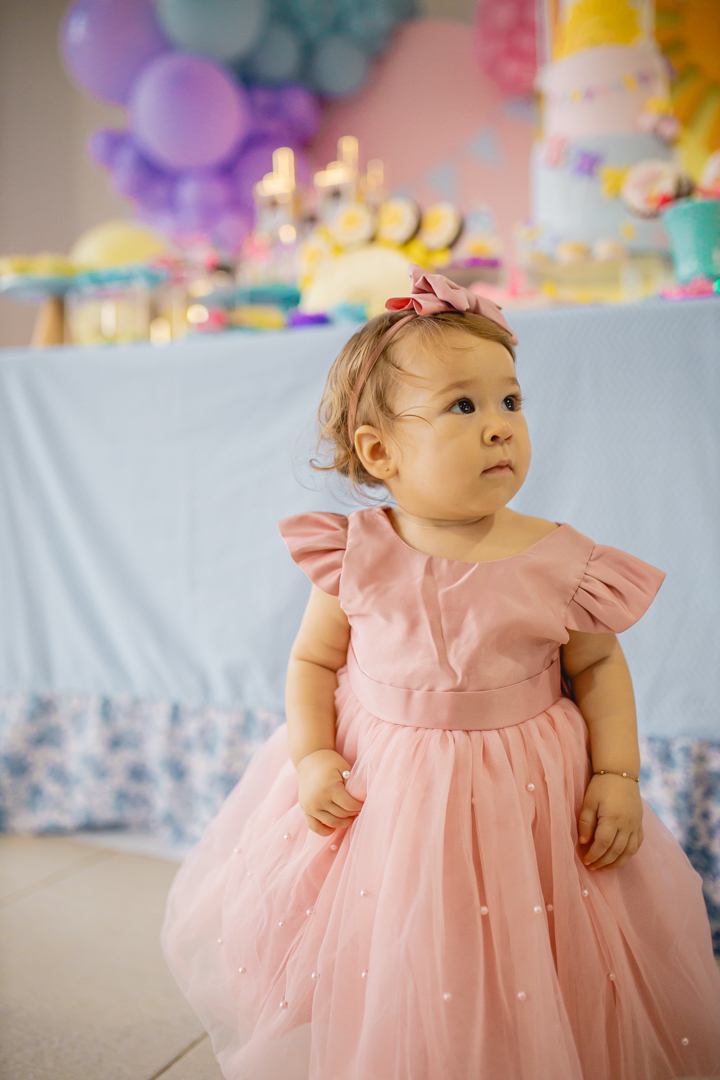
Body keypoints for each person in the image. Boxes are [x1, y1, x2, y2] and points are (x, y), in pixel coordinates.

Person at [162, 268, 720, 1080]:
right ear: (378, 450)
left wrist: (616, 775)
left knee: (531, 943)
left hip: (527, 793)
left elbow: (599, 665)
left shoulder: (560, 558)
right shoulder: (355, 553)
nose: (499, 428)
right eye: (463, 406)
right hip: (386, 788)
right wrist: (314, 757)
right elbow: (314, 660)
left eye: (510, 402)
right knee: (397, 940)